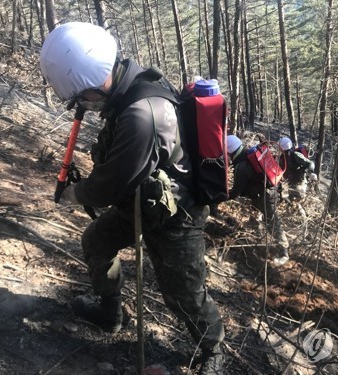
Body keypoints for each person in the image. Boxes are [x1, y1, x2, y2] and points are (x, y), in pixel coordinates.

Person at [40, 22, 224, 374]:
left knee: (183, 293)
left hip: (176, 214)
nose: (83, 105)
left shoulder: (143, 114)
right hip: (140, 199)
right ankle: (110, 312)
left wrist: (73, 195)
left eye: (82, 97)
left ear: (94, 83)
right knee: (97, 241)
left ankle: (212, 349)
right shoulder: (125, 84)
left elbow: (110, 185)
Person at [226, 135, 290, 266]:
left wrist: (221, 196)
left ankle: (284, 252)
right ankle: (259, 245)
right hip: (268, 193)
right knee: (257, 219)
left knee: (272, 221)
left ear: (230, 151)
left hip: (265, 196)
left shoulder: (242, 165)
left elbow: (236, 191)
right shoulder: (248, 154)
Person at [278, 136, 317, 201]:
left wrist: (310, 173)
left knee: (299, 201)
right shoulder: (282, 158)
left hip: (300, 183)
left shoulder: (295, 155)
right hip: (291, 184)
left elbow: (310, 163)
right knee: (292, 202)